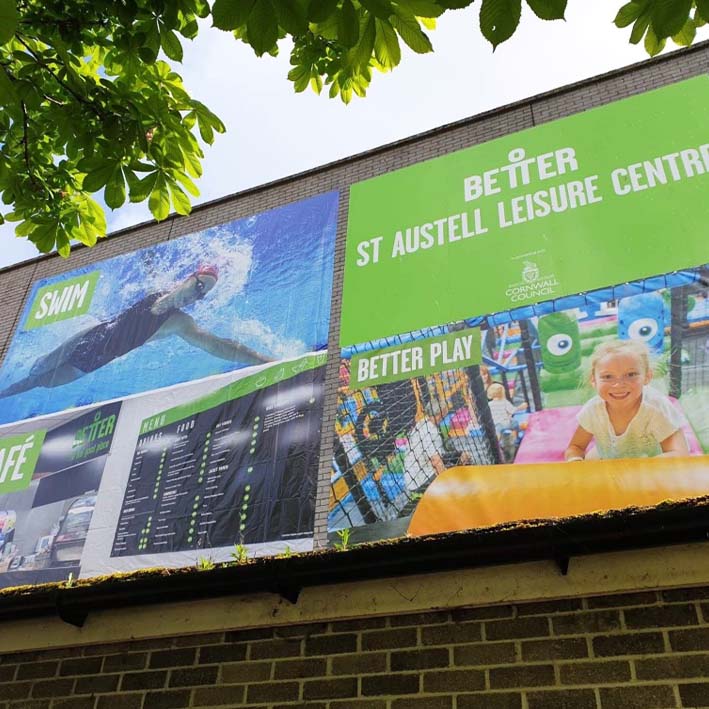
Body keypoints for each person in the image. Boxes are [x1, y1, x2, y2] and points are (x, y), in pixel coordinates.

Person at [0, 265, 272, 397]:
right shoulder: (163, 291)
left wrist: (264, 361)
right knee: (35, 372)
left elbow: (215, 345)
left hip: (95, 362)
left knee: (40, 384)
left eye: (203, 295)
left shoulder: (179, 322)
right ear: (190, 278)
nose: (197, 296)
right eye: (199, 286)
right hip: (84, 339)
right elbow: (156, 283)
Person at [565, 339, 689, 461]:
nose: (619, 385)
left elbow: (679, 453)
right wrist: (575, 460)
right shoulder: (593, 410)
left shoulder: (655, 408)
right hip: (608, 461)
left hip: (648, 469)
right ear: (594, 381)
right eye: (608, 376)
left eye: (631, 375)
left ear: (647, 377)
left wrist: (638, 471)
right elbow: (576, 447)